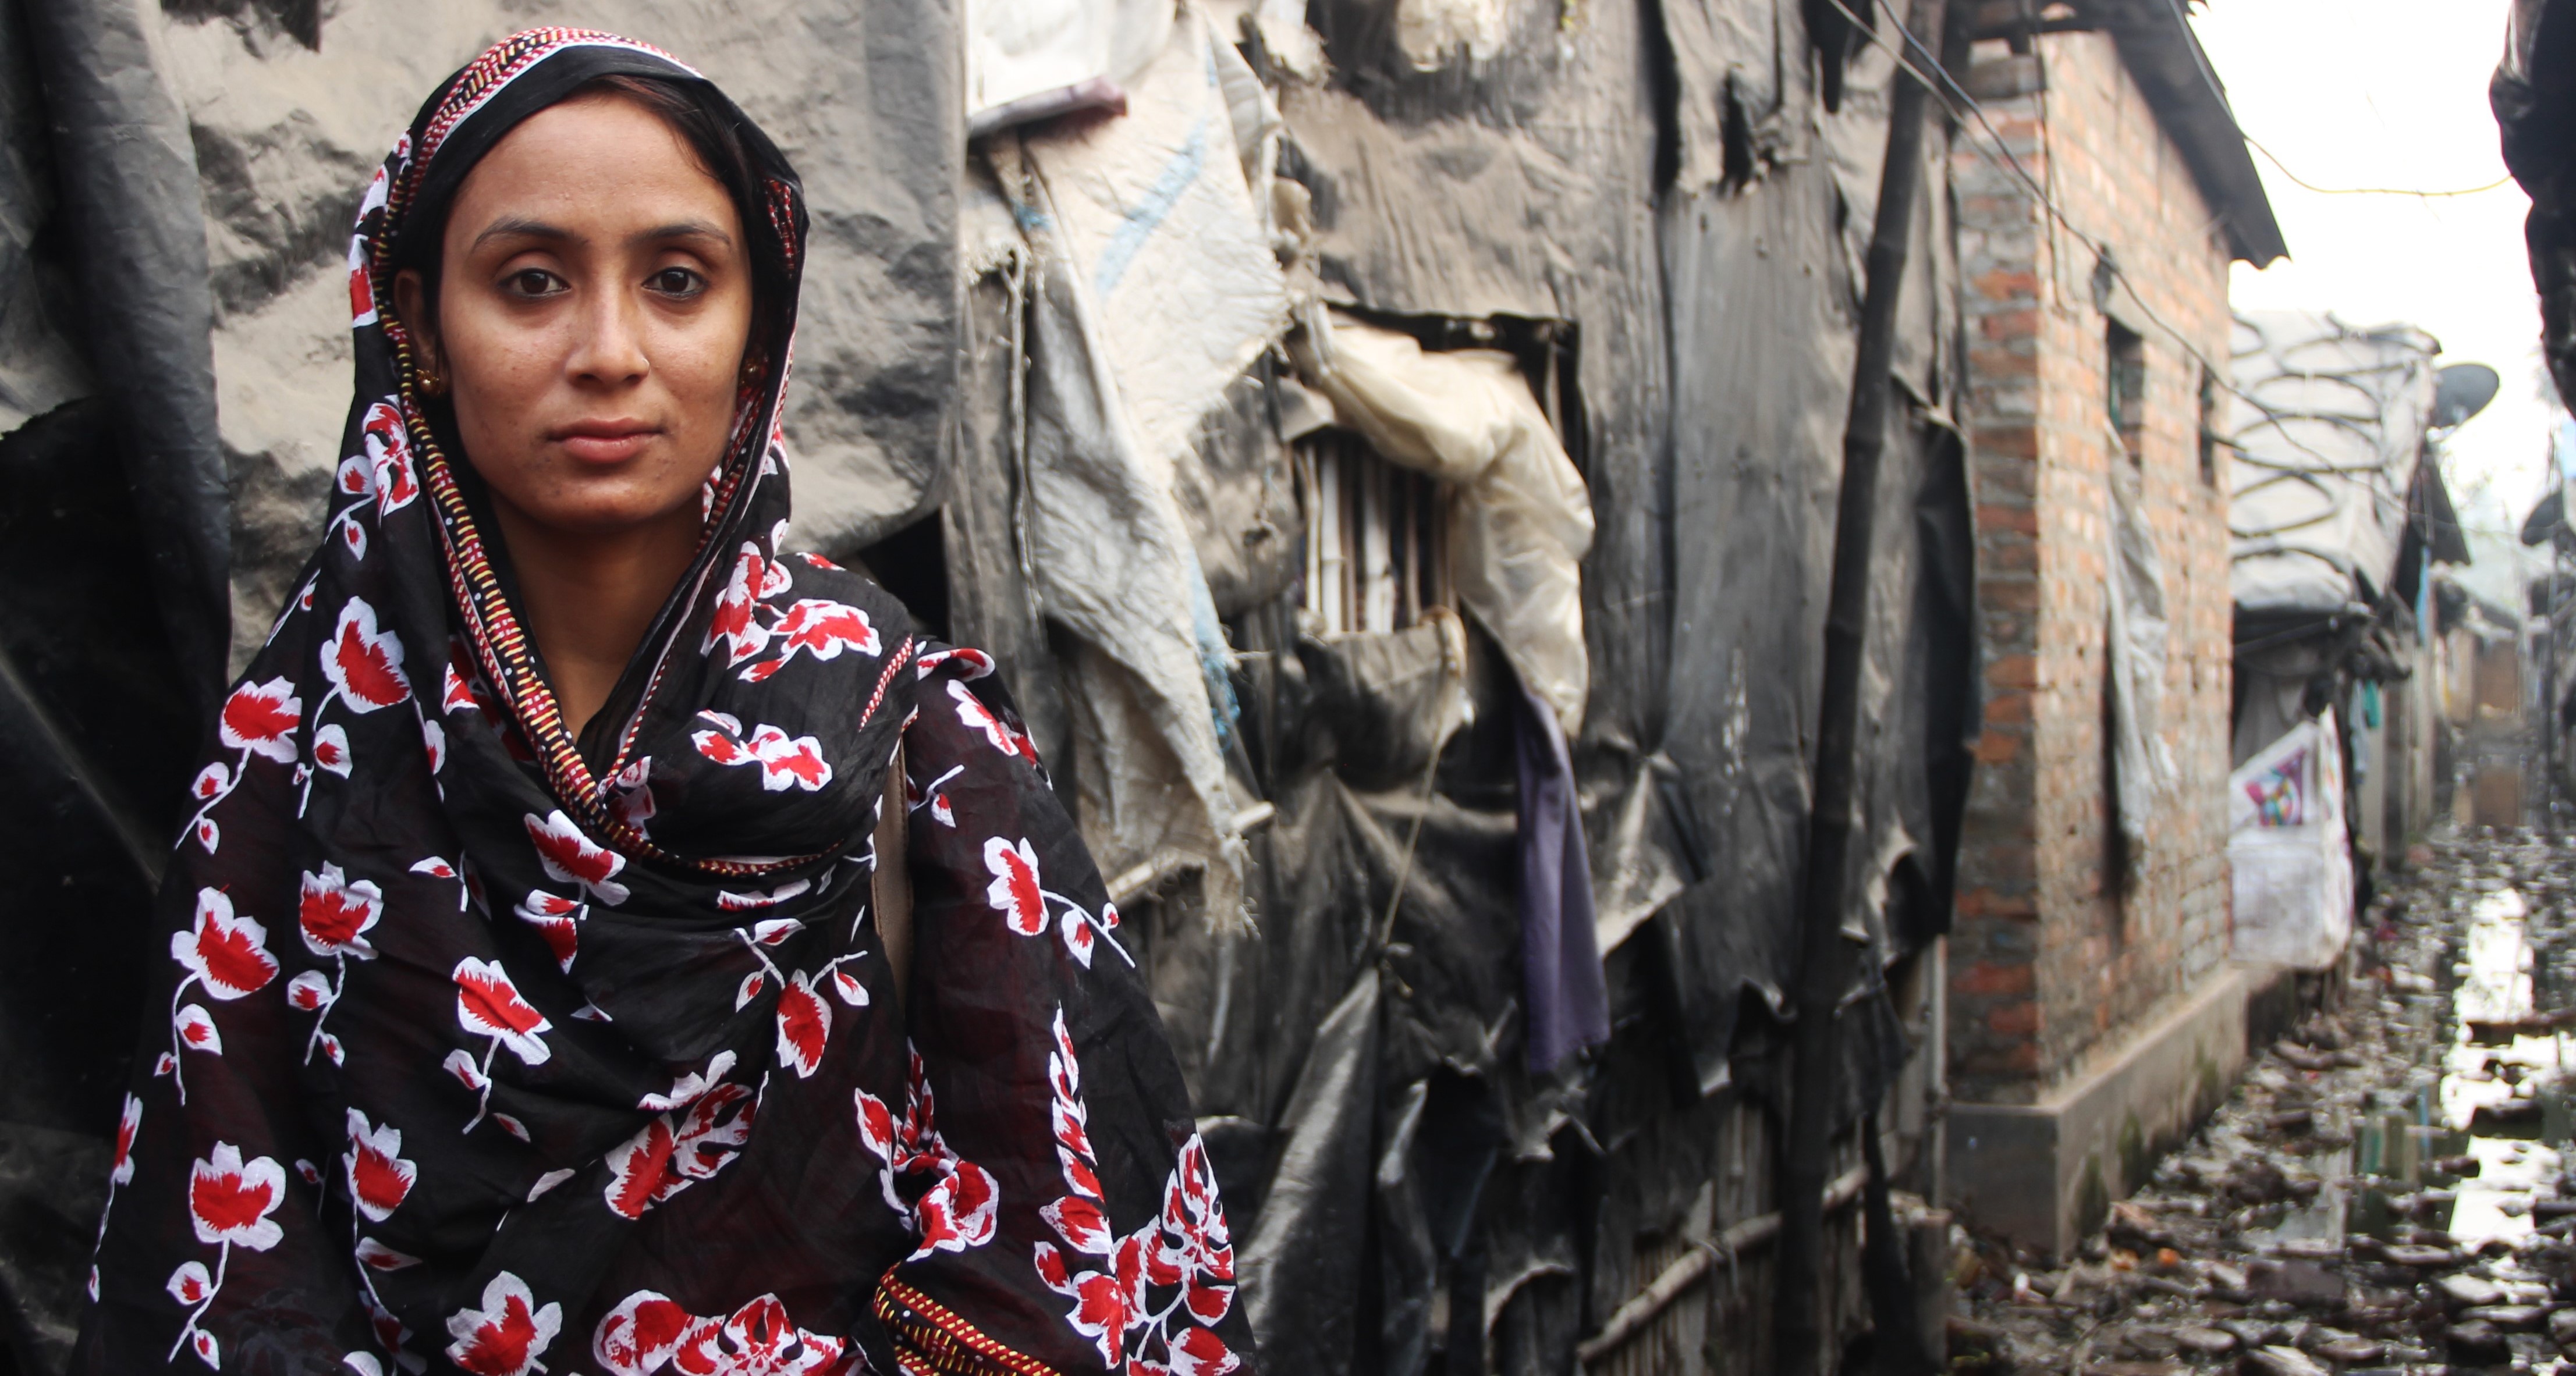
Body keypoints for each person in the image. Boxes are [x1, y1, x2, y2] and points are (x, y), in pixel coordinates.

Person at [76, 30, 1247, 1376]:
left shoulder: (906, 744)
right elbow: (221, 1259)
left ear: (759, 334)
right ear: (415, 325)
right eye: (529, 284)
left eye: (678, 282)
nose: (610, 351)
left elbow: (1074, 1246)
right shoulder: (296, 762)